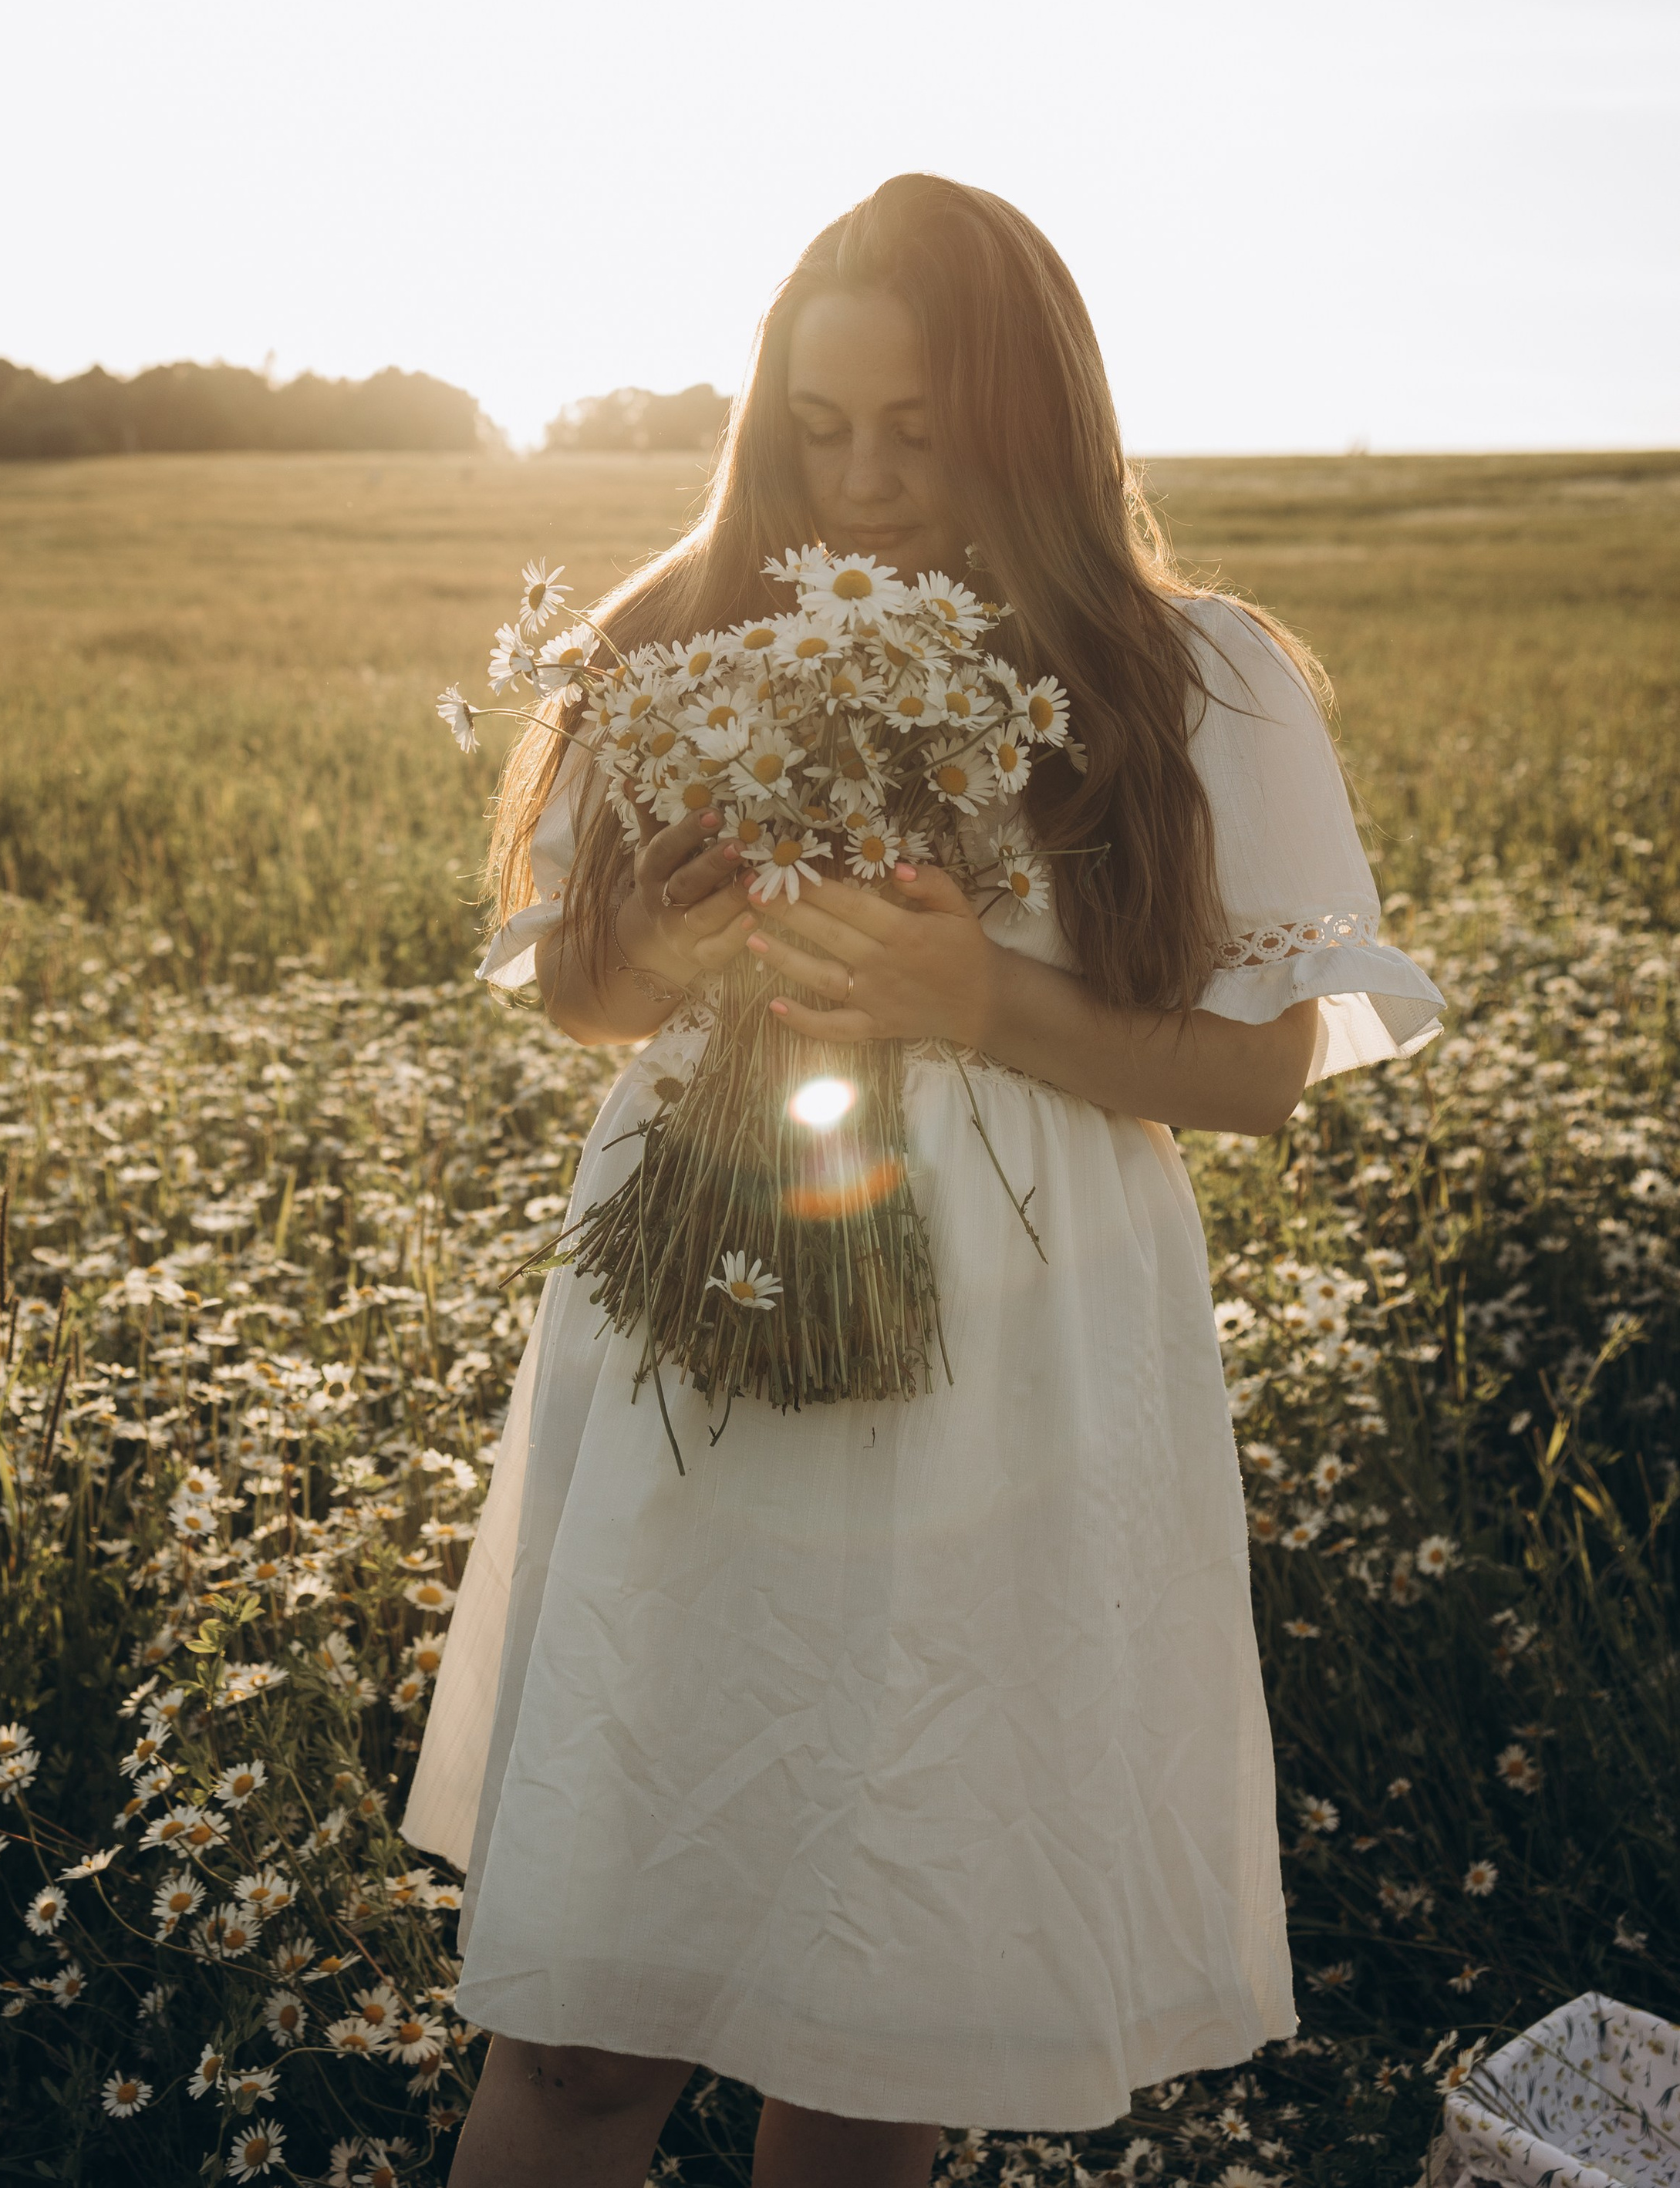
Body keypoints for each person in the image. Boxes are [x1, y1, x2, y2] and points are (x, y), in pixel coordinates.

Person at [405, 173, 1443, 2188]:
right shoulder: (676, 632)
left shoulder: (1193, 678)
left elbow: (1261, 1076)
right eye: (818, 428)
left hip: (1019, 1374)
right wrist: (671, 959)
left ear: (1033, 416)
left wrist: (976, 1001)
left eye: (917, 429)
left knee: (876, 2022)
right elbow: (583, 995)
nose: (862, 481)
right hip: (708, 1354)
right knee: (590, 2031)